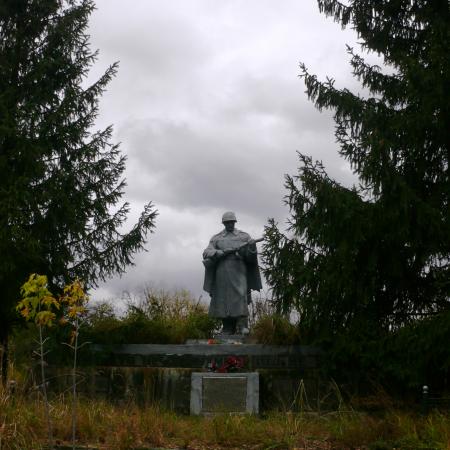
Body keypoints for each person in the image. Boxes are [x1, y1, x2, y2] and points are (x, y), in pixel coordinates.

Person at [203, 211, 262, 335]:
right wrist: (218, 253)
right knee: (223, 298)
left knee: (241, 296)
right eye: (227, 222)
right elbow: (206, 252)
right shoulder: (217, 238)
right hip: (222, 271)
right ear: (224, 223)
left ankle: (242, 326)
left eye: (232, 222)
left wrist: (251, 248)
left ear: (235, 222)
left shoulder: (244, 237)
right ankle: (227, 328)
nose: (230, 224)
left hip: (239, 270)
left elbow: (250, 258)